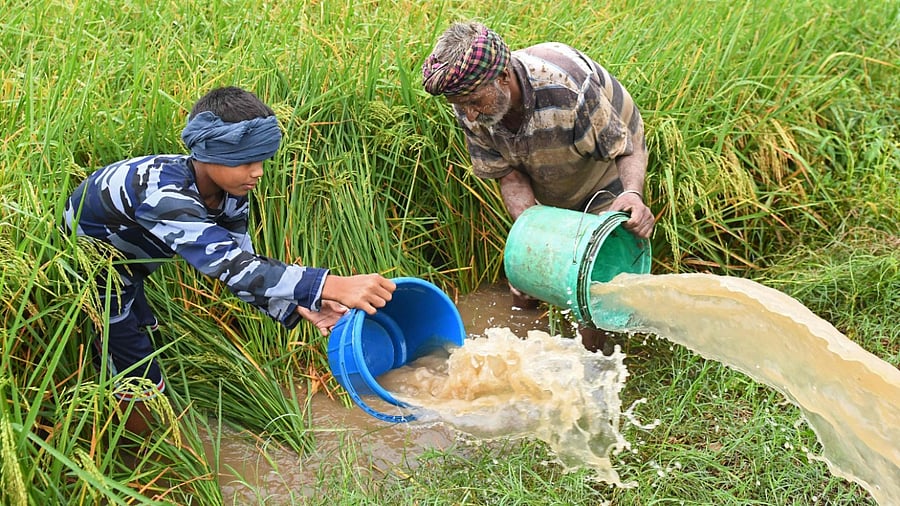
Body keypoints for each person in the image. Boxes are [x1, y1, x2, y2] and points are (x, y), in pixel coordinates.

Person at [64, 86, 396, 434]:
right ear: (209, 152)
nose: (259, 173)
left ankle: (145, 431)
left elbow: (243, 265)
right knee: (136, 369)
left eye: (263, 160)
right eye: (247, 161)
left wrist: (301, 304)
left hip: (131, 266)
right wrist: (331, 284)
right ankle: (148, 454)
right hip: (94, 275)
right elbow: (231, 266)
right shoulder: (164, 195)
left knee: (141, 332)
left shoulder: (230, 193)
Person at [422, 21, 654, 352]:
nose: (469, 115)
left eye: (473, 101)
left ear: (503, 77)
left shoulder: (569, 91)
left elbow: (626, 147)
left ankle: (595, 363)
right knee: (525, 279)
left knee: (589, 286)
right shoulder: (470, 105)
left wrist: (632, 193)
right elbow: (509, 175)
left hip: (603, 168)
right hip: (548, 166)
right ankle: (524, 351)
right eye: (460, 105)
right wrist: (534, 244)